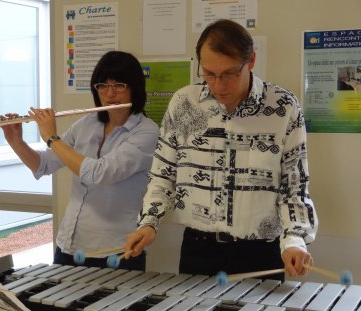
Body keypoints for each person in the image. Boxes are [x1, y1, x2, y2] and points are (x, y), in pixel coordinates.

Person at [125, 19, 318, 280]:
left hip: (260, 253)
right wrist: (149, 221)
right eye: (209, 73)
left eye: (229, 74)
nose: (218, 84)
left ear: (250, 61)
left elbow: (294, 185)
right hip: (198, 249)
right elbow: (163, 173)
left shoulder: (284, 107)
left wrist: (294, 240)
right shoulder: (184, 102)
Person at [1, 51, 159, 271]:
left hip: (115, 252)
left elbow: (100, 173)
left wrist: (52, 138)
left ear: (134, 87)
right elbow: (43, 164)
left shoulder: (147, 132)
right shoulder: (87, 124)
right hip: (68, 247)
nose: (110, 94)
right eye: (103, 86)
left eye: (119, 85)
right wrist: (16, 142)